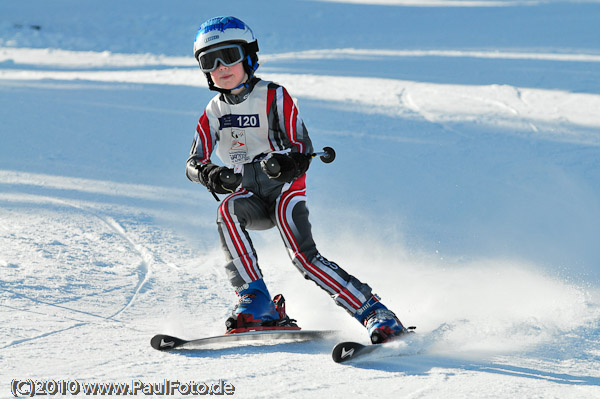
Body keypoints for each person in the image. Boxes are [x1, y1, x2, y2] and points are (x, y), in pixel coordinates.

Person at [185, 16, 408, 344]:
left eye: (229, 55)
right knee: (227, 211)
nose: (221, 67)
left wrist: (285, 163)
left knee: (303, 258)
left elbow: (302, 148)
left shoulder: (274, 96)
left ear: (248, 56)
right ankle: (257, 301)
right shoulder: (213, 111)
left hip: (284, 190)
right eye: (209, 61)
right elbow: (193, 162)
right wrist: (210, 174)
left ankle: (375, 312)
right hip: (248, 195)